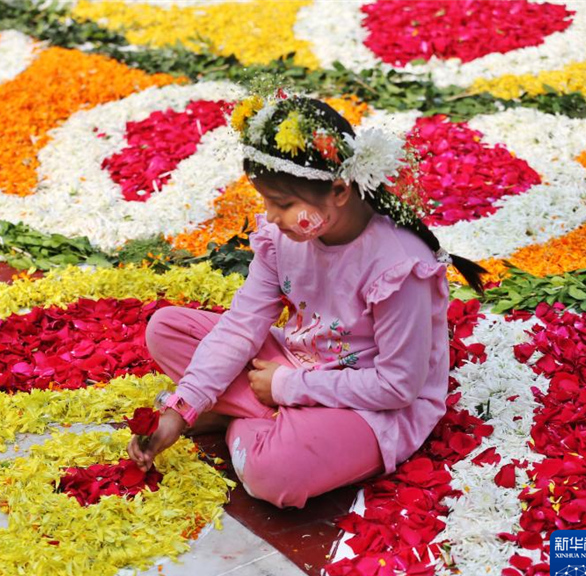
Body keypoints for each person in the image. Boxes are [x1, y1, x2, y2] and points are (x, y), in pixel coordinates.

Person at [127, 91, 487, 509]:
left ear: (339, 190)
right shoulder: (284, 237)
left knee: (272, 473)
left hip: (370, 405)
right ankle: (263, 417)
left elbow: (397, 386)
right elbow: (241, 325)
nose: (271, 216)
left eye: (283, 204)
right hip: (292, 362)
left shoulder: (398, 267)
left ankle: (242, 417)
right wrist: (180, 410)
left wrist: (287, 386)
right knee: (166, 329)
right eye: (266, 201)